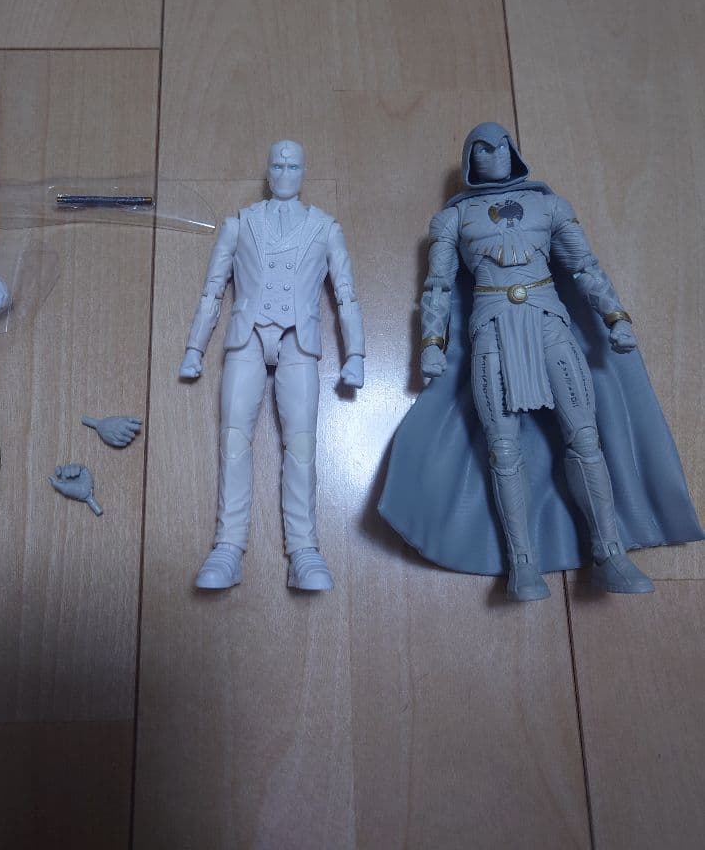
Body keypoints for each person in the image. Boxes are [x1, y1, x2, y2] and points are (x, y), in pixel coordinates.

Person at [379, 122, 703, 600]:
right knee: (503, 449)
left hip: (549, 322)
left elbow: (584, 267)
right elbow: (438, 287)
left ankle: (610, 552)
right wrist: (431, 342)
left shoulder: (550, 206)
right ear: (469, 159)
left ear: (514, 150)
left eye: (500, 145)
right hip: (492, 329)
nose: (492, 153)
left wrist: (614, 317)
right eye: (481, 147)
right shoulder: (453, 219)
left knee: (585, 438)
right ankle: (522, 563)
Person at [180, 140, 365, 590]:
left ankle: (304, 551)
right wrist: (194, 349)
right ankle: (228, 547)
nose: (284, 173)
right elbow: (212, 290)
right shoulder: (239, 224)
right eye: (277, 166)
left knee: (301, 444)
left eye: (293, 166)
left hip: (300, 339)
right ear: (267, 171)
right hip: (246, 334)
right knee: (233, 439)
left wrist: (355, 355)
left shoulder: (325, 228)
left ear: (304, 172)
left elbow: (345, 294)